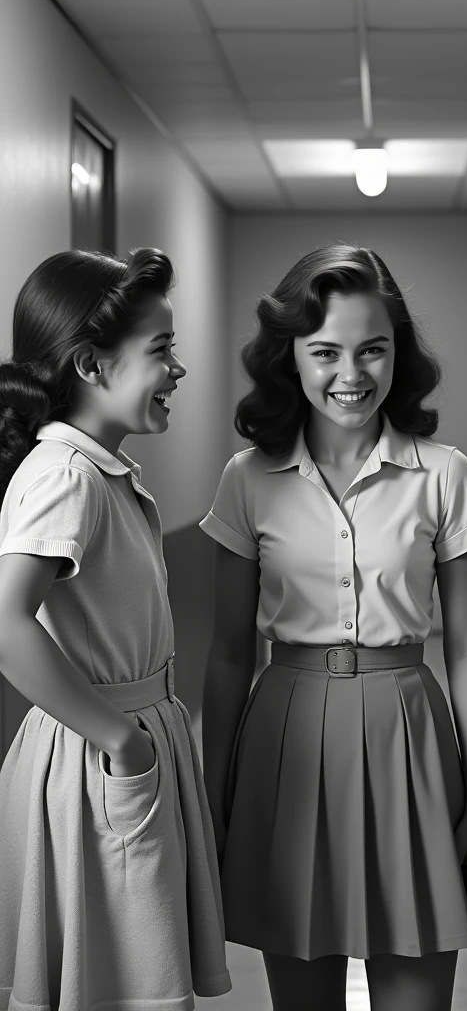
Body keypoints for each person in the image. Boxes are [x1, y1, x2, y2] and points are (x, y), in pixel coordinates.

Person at [200, 244, 467, 1011]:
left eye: (373, 350)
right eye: (325, 352)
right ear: (289, 358)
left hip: (410, 728)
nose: (352, 374)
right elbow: (231, 651)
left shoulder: (445, 473)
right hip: (284, 740)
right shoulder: (246, 479)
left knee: (417, 993)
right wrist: (217, 793)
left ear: (399, 354)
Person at [0, 249, 231, 1010]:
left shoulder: (99, 472)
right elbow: (5, 624)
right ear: (94, 366)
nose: (179, 369)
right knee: (120, 985)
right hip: (100, 753)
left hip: (122, 743)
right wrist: (123, 744)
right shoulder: (66, 475)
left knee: (123, 979)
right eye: (162, 350)